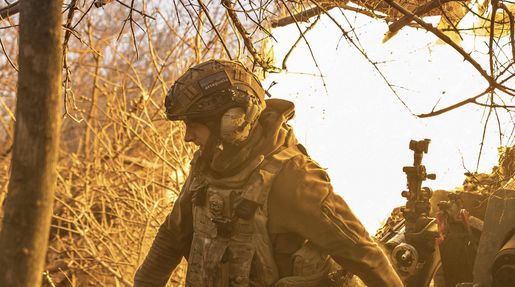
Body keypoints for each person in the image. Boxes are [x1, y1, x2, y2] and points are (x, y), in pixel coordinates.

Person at [134, 60, 404, 287]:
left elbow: (362, 253)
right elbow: (172, 236)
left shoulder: (294, 178)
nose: (188, 137)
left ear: (233, 120)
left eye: (194, 126)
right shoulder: (207, 165)